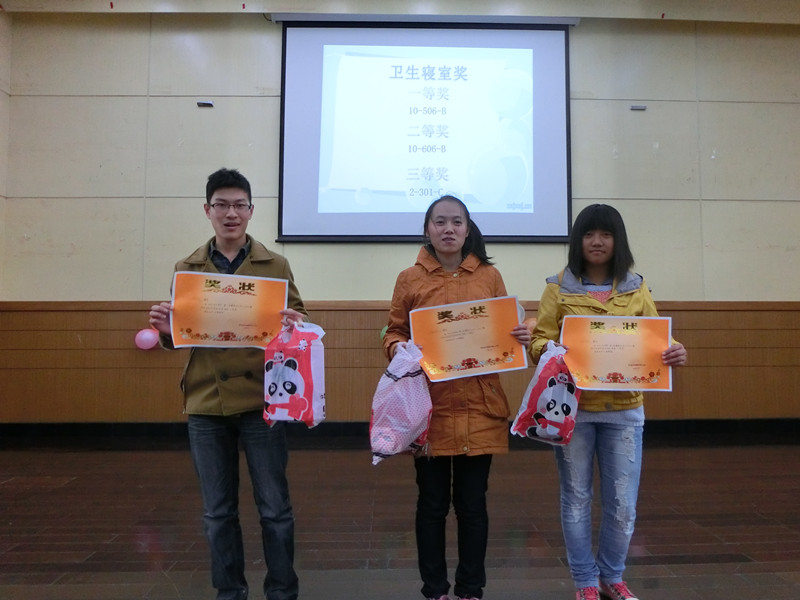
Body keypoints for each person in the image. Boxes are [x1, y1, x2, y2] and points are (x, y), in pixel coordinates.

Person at [148, 168, 306, 600]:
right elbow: (179, 337)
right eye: (222, 205)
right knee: (217, 512)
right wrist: (165, 330)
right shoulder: (187, 268)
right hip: (206, 401)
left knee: (274, 508)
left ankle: (282, 592)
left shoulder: (276, 265)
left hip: (262, 400)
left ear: (251, 211)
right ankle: (229, 592)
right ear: (208, 210)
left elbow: (300, 322)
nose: (231, 213)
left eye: (239, 205)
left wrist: (294, 324)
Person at [528, 204, 688, 600]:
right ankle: (585, 581)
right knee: (576, 499)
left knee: (623, 504)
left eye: (606, 234)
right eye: (588, 234)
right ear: (577, 241)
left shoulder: (636, 287)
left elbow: (657, 338)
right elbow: (537, 342)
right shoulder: (558, 287)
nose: (597, 241)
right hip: (573, 411)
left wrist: (674, 350)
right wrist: (553, 350)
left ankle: (612, 575)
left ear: (618, 241)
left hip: (625, 409)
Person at [383, 195, 532, 600]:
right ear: (427, 229)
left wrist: (520, 334)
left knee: (473, 505)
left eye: (456, 222)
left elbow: (506, 330)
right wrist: (397, 347)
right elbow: (394, 331)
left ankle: (470, 589)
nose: (448, 229)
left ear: (468, 229)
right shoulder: (409, 278)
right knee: (431, 504)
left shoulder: (489, 277)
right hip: (428, 407)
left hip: (480, 405)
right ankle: (434, 590)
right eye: (440, 222)